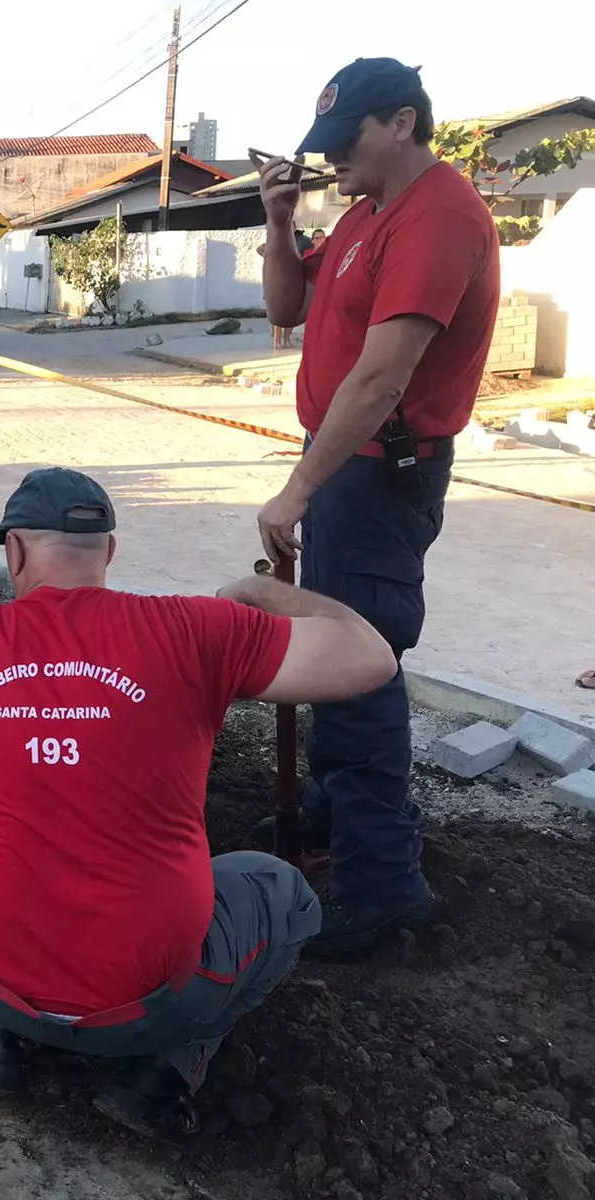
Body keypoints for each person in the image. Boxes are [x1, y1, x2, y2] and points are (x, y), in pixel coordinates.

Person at [0, 468, 397, 1134]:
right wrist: (261, 591)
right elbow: (372, 657)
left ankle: (0, 1033)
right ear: (108, 553)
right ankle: (168, 1070)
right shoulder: (190, 631)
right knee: (283, 891)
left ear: (17, 552)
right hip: (145, 1009)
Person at [256, 58, 499, 954]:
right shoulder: (366, 216)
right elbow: (286, 307)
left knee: (358, 666)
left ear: (401, 122)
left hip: (374, 474)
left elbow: (382, 375)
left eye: (345, 139)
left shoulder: (438, 216)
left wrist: (298, 488)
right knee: (337, 652)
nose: (331, 158)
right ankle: (336, 817)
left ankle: (382, 883)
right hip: (346, 472)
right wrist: (278, 223)